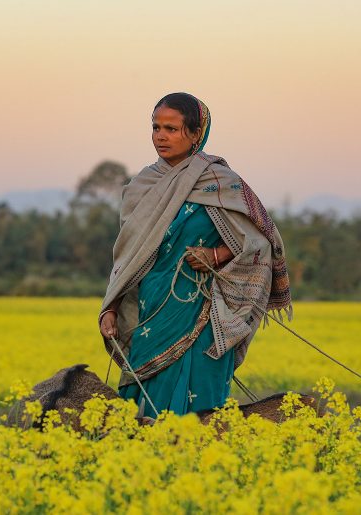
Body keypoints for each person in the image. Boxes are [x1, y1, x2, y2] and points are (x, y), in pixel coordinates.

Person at [98, 92, 293, 419]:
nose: (161, 136)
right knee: (141, 406)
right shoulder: (142, 187)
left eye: (172, 129)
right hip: (152, 310)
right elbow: (127, 258)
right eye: (156, 127)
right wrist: (112, 307)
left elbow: (261, 242)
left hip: (205, 314)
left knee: (202, 413)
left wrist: (215, 254)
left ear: (195, 134)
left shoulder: (221, 182)